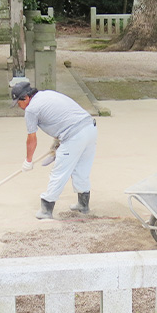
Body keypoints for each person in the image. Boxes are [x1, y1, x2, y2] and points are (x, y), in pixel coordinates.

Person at [10, 81, 97, 219]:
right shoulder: (46, 94)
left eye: (18, 102)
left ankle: (46, 209)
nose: (18, 106)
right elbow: (62, 116)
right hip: (90, 128)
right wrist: (57, 144)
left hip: (74, 136)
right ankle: (83, 205)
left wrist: (28, 160)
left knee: (59, 173)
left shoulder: (31, 109)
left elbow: (32, 139)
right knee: (81, 169)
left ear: (26, 98)